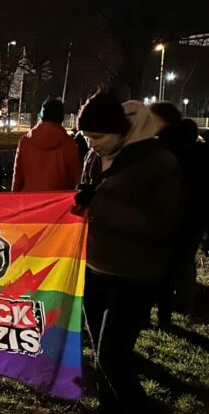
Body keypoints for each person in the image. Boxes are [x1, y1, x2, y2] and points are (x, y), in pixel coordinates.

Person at [74, 93, 180, 413]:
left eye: (98, 137)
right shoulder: (93, 157)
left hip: (134, 275)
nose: (91, 144)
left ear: (121, 131)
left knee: (113, 357)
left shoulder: (158, 161)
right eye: (86, 136)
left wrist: (98, 206)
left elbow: (162, 222)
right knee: (100, 354)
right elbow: (88, 199)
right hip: (94, 270)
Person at [148, 102, 208, 327]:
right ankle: (183, 305)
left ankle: (161, 311)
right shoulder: (199, 151)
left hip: (168, 216)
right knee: (183, 264)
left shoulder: (163, 149)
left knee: (161, 268)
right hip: (193, 218)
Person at [11, 97, 81, 192]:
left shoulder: (25, 141)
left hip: (29, 197)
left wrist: (14, 197)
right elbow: (75, 178)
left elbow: (18, 177)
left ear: (41, 116)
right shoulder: (68, 144)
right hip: (57, 199)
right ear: (61, 118)